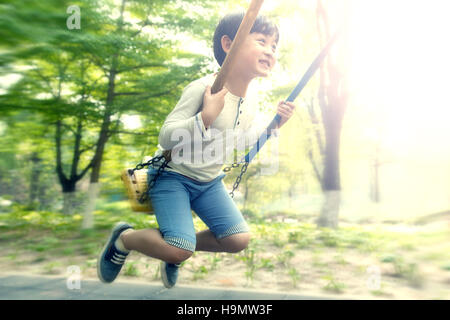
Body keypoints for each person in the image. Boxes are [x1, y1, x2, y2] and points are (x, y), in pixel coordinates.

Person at [97, 12, 296, 288]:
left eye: (274, 46)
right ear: (229, 44)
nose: (270, 51)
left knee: (237, 239)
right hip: (172, 177)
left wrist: (274, 125)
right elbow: (166, 136)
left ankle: (176, 246)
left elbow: (241, 140)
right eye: (261, 41)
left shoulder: (251, 99)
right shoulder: (204, 88)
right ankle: (124, 238)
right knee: (180, 246)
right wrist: (204, 117)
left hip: (209, 182)